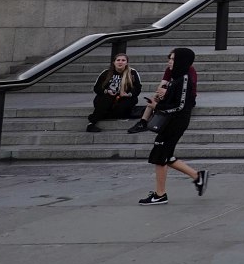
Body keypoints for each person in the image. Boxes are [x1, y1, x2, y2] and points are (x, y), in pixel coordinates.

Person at [138, 48, 208, 204]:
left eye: (173, 59)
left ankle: (160, 194)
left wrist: (157, 106)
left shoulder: (184, 79)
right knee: (164, 155)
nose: (169, 61)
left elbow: (181, 106)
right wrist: (162, 98)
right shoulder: (176, 78)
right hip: (171, 121)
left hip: (176, 122)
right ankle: (198, 176)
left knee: (160, 156)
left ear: (181, 61)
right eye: (169, 58)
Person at [87, 53, 142, 131]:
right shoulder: (106, 72)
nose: (120, 62)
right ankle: (91, 124)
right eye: (118, 60)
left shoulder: (132, 72)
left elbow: (138, 88)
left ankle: (103, 114)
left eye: (123, 60)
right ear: (114, 62)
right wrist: (106, 91)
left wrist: (128, 94)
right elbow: (97, 88)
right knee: (105, 100)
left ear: (126, 63)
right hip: (107, 97)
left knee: (122, 109)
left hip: (124, 98)